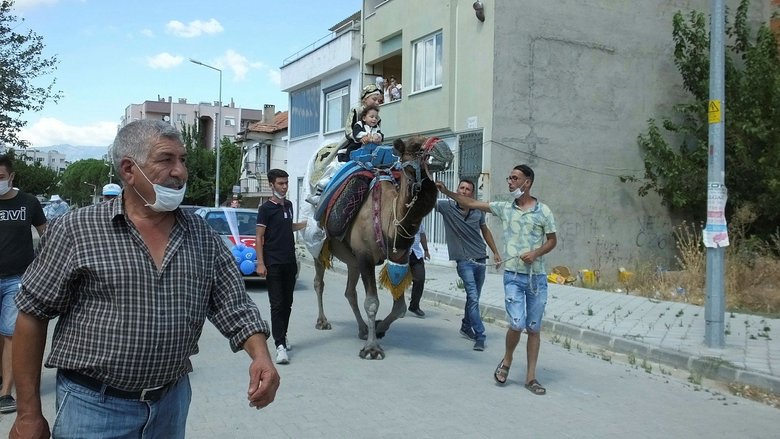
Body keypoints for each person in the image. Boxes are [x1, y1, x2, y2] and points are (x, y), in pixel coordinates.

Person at [11, 120, 279, 438]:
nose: (180, 171)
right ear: (128, 169)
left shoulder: (202, 235)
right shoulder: (75, 230)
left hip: (170, 404)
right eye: (167, 160)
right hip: (92, 408)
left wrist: (261, 355)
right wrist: (28, 413)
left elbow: (233, 304)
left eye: (183, 160)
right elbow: (31, 315)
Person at [436, 164, 556, 395]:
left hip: (536, 278)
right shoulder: (504, 208)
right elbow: (470, 203)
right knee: (517, 324)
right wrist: (448, 193)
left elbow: (552, 240)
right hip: (512, 276)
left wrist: (536, 253)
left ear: (527, 182)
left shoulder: (544, 212)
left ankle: (531, 378)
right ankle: (507, 360)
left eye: (514, 178)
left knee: (533, 328)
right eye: (509, 177)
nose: (509, 181)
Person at [0, 154, 46, 415]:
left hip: (18, 279)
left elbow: (46, 235)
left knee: (9, 333)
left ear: (12, 176)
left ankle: (6, 393)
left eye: (1, 177)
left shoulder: (28, 202)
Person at [435, 178, 501, 351]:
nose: (464, 191)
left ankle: (466, 326)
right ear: (457, 190)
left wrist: (496, 252)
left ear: (472, 193)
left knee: (474, 298)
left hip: (480, 258)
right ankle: (480, 335)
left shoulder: (478, 211)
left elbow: (485, 232)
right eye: (461, 188)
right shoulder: (446, 207)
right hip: (464, 261)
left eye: (467, 189)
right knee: (472, 296)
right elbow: (424, 203)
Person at [256, 169, 307, 365]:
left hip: (289, 262)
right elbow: (259, 236)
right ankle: (279, 346)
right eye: (280, 183)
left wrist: (303, 225)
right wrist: (260, 263)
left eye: (286, 183)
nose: (284, 187)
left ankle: (283, 336)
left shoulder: (289, 205)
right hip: (273, 263)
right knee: (277, 304)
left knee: (287, 303)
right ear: (271, 184)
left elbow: (286, 227)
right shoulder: (265, 209)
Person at [306, 84, 385, 206]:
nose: (376, 102)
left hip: (371, 147)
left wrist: (377, 138)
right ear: (365, 99)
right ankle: (322, 188)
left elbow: (379, 132)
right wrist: (361, 137)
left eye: (378, 100)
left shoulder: (377, 118)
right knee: (337, 162)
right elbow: (349, 130)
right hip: (353, 142)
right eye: (374, 99)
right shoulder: (356, 111)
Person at [407, 225, 430, 317]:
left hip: (416, 254)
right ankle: (398, 306)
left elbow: (422, 235)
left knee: (420, 279)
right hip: (402, 254)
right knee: (398, 281)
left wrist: (426, 250)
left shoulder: (419, 222)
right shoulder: (399, 219)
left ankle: (414, 306)